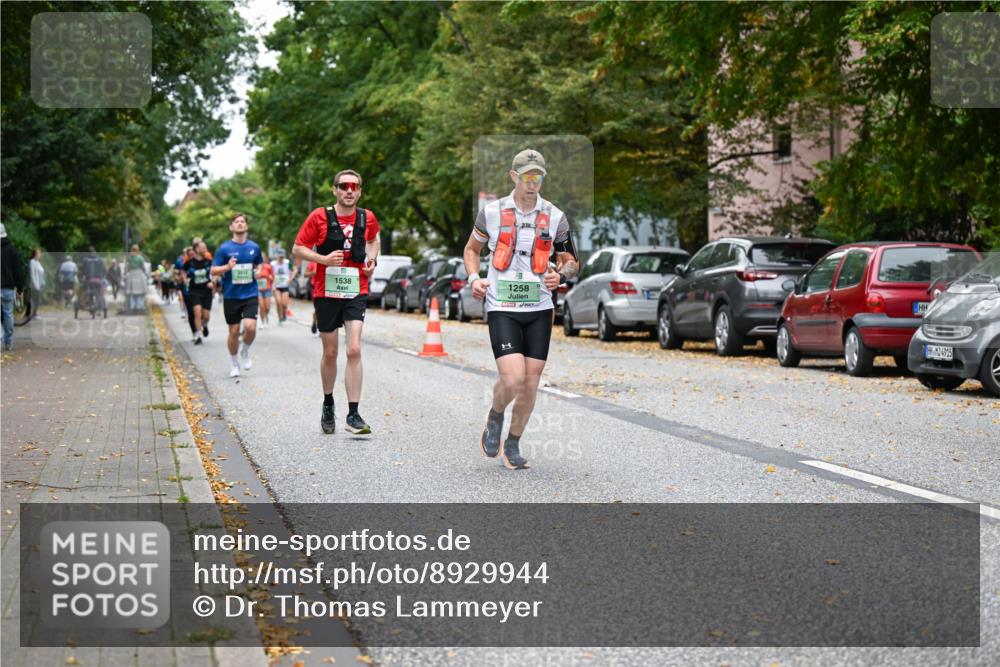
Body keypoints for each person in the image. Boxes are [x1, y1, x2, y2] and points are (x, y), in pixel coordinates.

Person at [463, 149, 578, 470]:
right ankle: (496, 415)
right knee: (512, 379)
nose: (532, 183)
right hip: (502, 305)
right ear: (514, 177)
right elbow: (471, 250)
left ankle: (512, 444)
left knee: (530, 382)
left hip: (540, 307)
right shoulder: (492, 212)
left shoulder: (555, 216)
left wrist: (561, 273)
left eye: (537, 177)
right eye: (526, 177)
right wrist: (474, 278)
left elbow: (571, 261)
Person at [292, 170, 380, 434]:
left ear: (360, 191)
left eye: (354, 186)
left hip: (356, 289)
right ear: (335, 190)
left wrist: (372, 260)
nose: (349, 190)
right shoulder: (319, 216)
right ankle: (328, 402)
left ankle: (353, 414)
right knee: (330, 352)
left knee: (354, 349)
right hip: (326, 291)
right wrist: (323, 260)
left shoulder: (367, 217)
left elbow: (373, 240)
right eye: (344, 186)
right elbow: (298, 248)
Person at [212, 213, 263, 377]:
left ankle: (245, 350)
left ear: (246, 226)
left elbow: (260, 263)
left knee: (250, 327)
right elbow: (213, 270)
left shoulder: (254, 247)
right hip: (231, 295)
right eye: (237, 222)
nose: (240, 224)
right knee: (234, 331)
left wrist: (259, 272)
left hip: (250, 293)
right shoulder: (224, 249)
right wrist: (227, 267)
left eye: (243, 221)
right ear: (231, 227)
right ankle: (234, 364)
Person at [0, 223, 26, 351]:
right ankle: (8, 343)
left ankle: (0, 341)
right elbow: (17, 271)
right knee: (8, 314)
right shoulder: (12, 250)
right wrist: (20, 289)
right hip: (8, 288)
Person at [184, 240, 214, 344]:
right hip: (194, 290)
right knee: (197, 312)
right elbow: (183, 271)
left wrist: (213, 282)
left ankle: (204, 325)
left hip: (206, 291)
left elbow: (214, 273)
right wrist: (184, 280)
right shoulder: (190, 262)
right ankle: (198, 335)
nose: (205, 249)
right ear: (197, 249)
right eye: (203, 248)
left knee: (206, 316)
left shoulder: (208, 262)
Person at [271, 249, 292, 325]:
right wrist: (272, 283)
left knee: (284, 304)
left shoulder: (287, 263)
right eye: (280, 257)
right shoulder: (273, 264)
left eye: (282, 257)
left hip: (285, 285)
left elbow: (295, 270)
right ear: (277, 256)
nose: (281, 258)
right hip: (276, 286)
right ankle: (279, 318)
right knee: (278, 302)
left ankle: (284, 314)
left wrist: (290, 278)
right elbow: (270, 274)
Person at [125, 244, 148, 313]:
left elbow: (127, 267)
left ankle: (133, 306)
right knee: (140, 292)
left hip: (132, 274)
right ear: (138, 250)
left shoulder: (129, 258)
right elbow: (143, 267)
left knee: (132, 292)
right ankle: (139, 306)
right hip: (139, 274)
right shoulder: (140, 258)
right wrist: (145, 274)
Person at [256, 253, 274, 327]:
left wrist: (270, 278)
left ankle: (266, 315)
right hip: (258, 289)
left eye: (263, 258)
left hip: (267, 289)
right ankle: (262, 322)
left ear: (265, 259)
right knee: (261, 306)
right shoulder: (256, 267)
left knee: (267, 307)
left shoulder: (268, 267)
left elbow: (273, 277)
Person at [29, 248, 45, 317]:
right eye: (38, 253)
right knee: (35, 300)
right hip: (35, 285)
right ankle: (33, 314)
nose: (40, 254)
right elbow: (32, 274)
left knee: (36, 300)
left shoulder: (38, 262)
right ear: (35, 254)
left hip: (39, 284)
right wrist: (35, 285)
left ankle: (34, 313)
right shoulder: (32, 262)